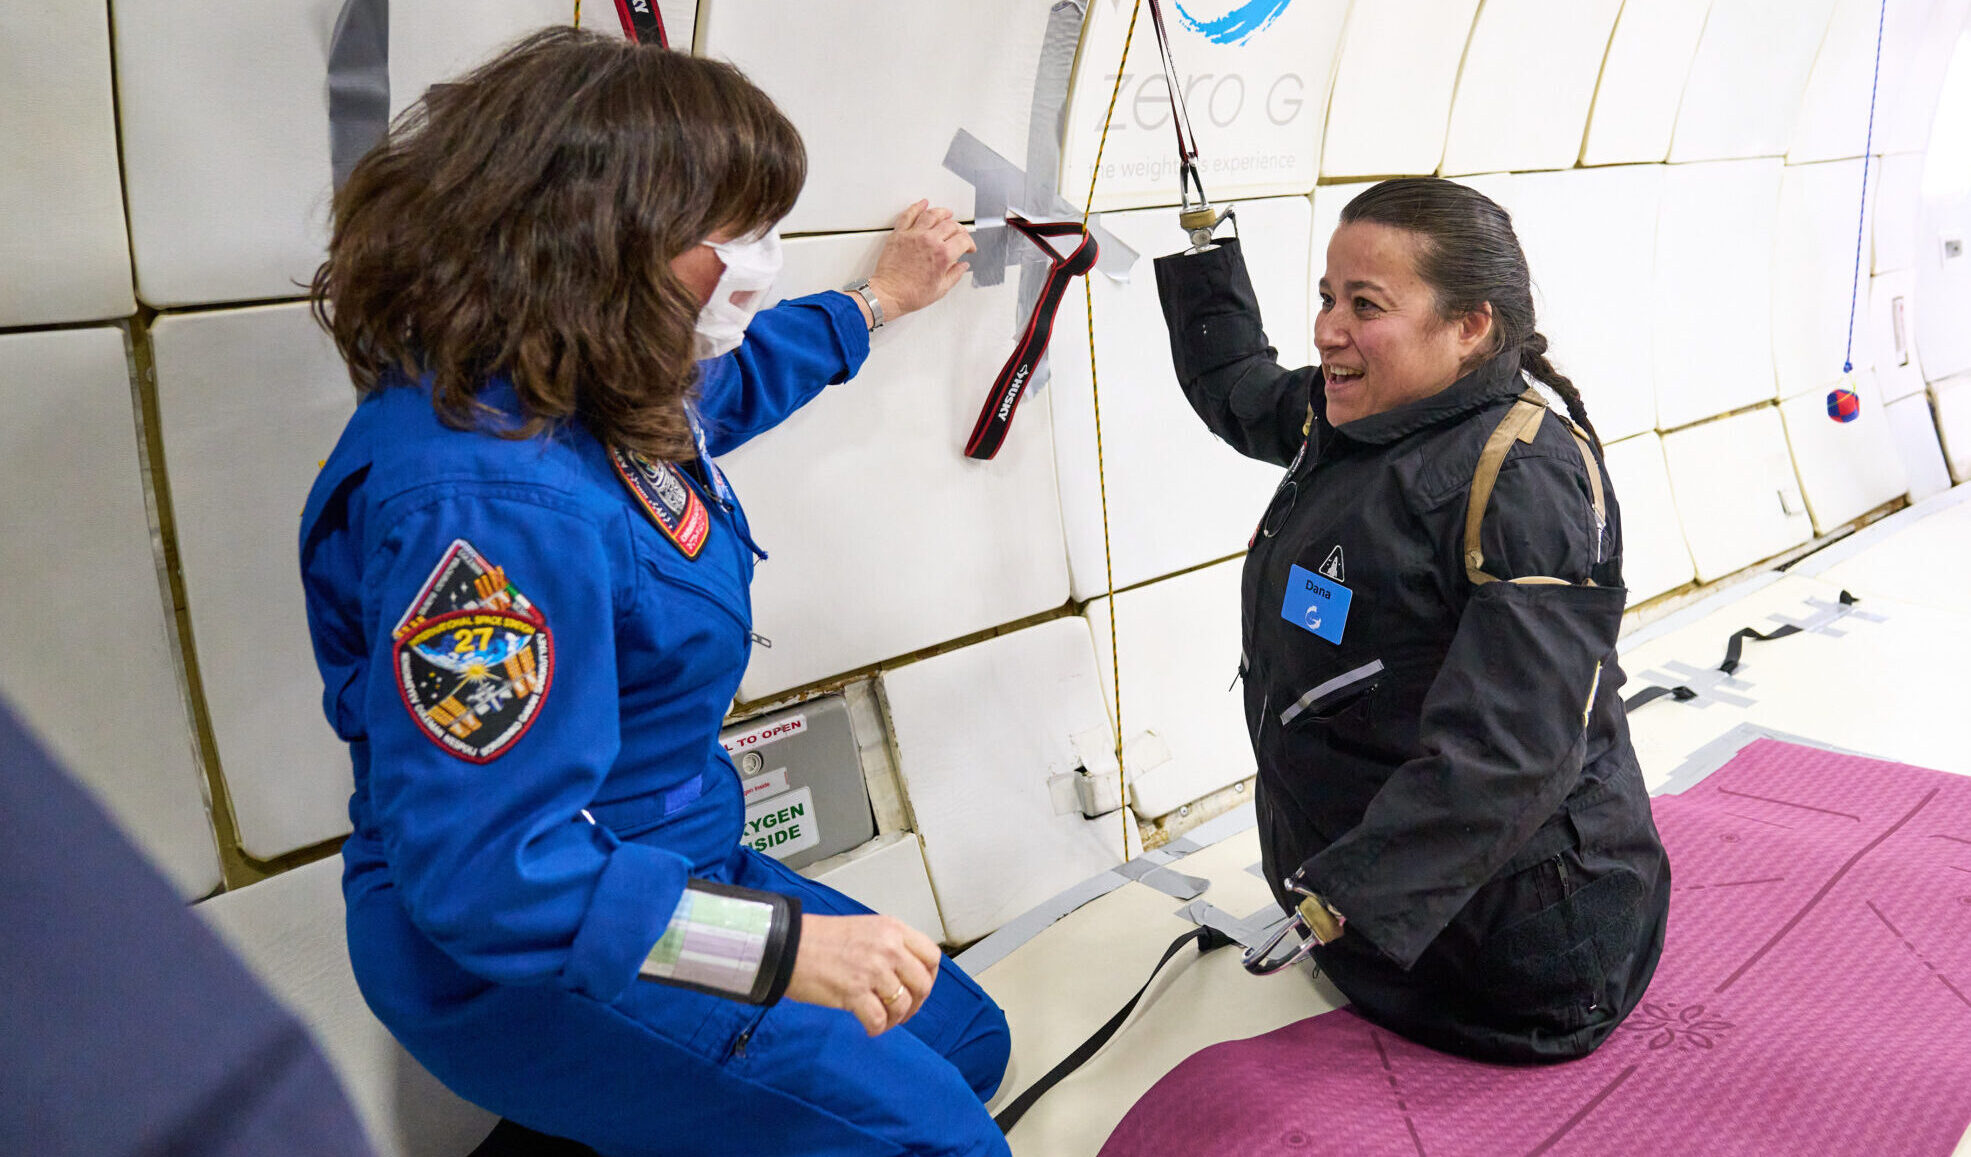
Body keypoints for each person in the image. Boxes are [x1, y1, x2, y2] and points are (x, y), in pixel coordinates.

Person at [300, 29, 1010, 1157]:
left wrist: (875, 301)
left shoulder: (579, 382)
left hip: (666, 861)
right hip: (529, 941)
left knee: (965, 1042)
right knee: (941, 1139)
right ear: (596, 237)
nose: (758, 263)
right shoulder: (490, 500)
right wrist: (783, 953)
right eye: (732, 232)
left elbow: (725, 392)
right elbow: (491, 874)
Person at [1154, 177, 1671, 1063]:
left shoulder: (1522, 478)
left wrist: (1335, 904)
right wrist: (1206, 260)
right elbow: (1240, 391)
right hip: (1376, 917)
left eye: (1365, 305)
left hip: (1515, 959)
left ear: (1469, 326)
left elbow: (1509, 753)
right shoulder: (1361, 412)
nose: (1326, 330)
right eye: (1325, 297)